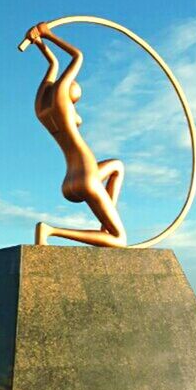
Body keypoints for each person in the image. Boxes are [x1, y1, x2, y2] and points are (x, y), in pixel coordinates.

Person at [26, 23, 127, 247]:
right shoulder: (62, 101)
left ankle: (104, 223)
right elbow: (77, 56)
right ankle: (51, 231)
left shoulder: (43, 110)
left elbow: (54, 64)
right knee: (119, 239)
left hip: (71, 178)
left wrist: (40, 45)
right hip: (87, 173)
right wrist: (48, 34)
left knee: (117, 166)